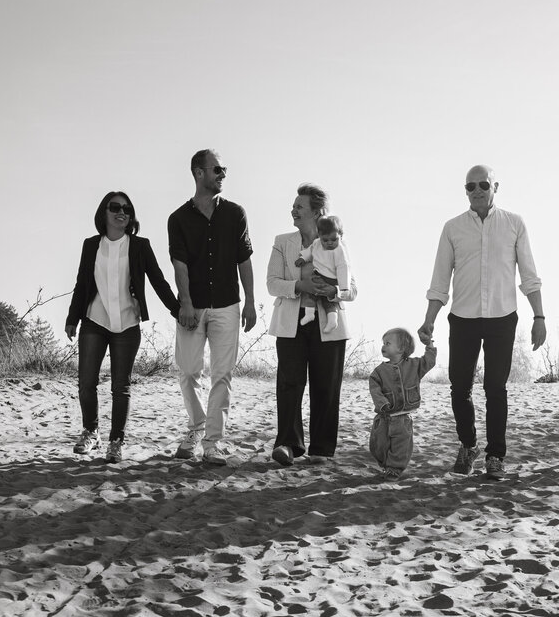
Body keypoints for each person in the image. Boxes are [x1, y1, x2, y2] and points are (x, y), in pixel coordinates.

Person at [419, 165, 545, 480]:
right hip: (463, 318)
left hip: (503, 318)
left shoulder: (514, 224)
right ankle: (469, 444)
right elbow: (439, 280)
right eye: (470, 186)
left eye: (483, 185)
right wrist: (429, 320)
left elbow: (529, 276)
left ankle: (495, 456)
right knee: (459, 387)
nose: (477, 191)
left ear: (495, 187)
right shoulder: (452, 228)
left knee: (495, 388)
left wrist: (539, 317)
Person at [65, 191, 180, 463]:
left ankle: (116, 442)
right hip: (95, 320)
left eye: (127, 208)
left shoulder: (140, 246)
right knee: (86, 382)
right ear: (103, 213)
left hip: (127, 324)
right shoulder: (91, 245)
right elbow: (82, 283)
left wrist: (178, 310)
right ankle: (90, 432)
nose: (122, 212)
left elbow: (158, 280)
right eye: (115, 207)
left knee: (121, 386)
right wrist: (72, 318)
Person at [167, 149, 258, 465]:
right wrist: (187, 304)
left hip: (227, 306)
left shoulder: (236, 214)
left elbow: (243, 260)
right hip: (192, 309)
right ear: (198, 172)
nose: (222, 175)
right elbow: (179, 265)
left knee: (222, 374)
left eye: (224, 170)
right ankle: (196, 426)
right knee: (188, 371)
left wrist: (249, 301)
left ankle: (212, 443)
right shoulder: (177, 219)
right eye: (217, 169)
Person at [266, 184, 358, 466]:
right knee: (289, 383)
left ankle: (321, 449)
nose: (293, 210)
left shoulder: (336, 242)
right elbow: (272, 284)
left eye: (299, 207)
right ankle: (288, 445)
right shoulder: (283, 242)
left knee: (326, 386)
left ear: (317, 212)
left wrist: (334, 292)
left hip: (329, 324)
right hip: (291, 323)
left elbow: (352, 290)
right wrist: (299, 285)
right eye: (293, 206)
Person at [369, 327, 437, 479]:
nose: (383, 346)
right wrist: (382, 403)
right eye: (383, 343)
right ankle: (385, 463)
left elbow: (429, 361)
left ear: (401, 348)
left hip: (403, 417)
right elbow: (375, 389)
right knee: (378, 445)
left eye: (388, 343)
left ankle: (395, 468)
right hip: (384, 417)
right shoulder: (379, 371)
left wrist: (430, 345)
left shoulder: (414, 366)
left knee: (401, 444)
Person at [294, 215, 351, 334]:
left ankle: (332, 320)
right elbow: (310, 251)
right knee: (310, 294)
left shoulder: (339, 250)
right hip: (318, 275)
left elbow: (343, 268)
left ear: (340, 236)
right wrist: (303, 258)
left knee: (328, 301)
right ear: (319, 236)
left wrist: (344, 287)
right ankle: (309, 315)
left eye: (334, 239)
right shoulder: (316, 243)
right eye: (325, 240)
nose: (330, 243)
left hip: (331, 279)